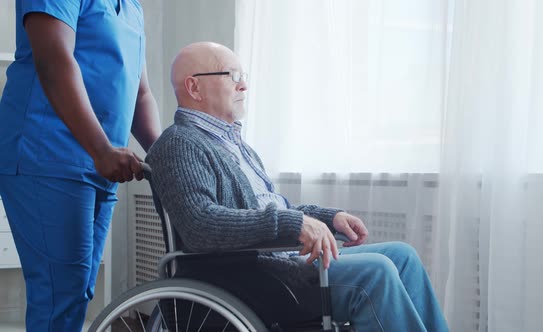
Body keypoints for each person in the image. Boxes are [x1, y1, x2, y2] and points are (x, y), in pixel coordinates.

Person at [146, 41, 448, 332]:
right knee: (377, 273)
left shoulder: (238, 147)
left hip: (278, 260)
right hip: (247, 276)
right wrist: (294, 223)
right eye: (233, 76)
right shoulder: (179, 144)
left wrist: (327, 218)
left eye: (244, 77)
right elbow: (201, 225)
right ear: (193, 87)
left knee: (402, 256)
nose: (243, 86)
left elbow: (274, 209)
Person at [0, 1, 161, 331]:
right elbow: (54, 61)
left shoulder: (132, 7)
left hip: (100, 165)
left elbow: (140, 92)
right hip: (46, 152)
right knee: (59, 296)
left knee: (77, 293)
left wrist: (166, 158)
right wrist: (101, 149)